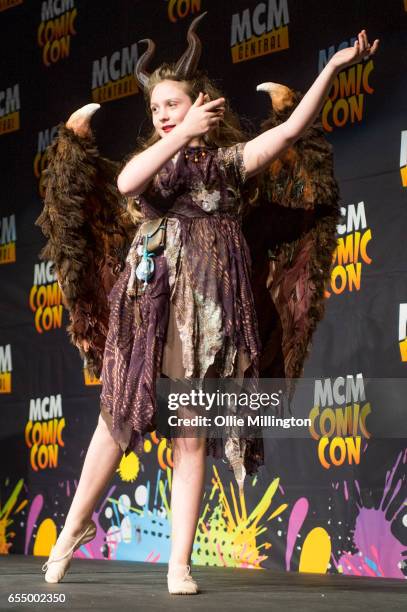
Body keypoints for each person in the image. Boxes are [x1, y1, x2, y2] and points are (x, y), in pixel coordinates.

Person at [40, 15, 378, 594]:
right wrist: (178, 131)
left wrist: (333, 66)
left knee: (191, 434)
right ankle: (71, 531)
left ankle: (178, 564)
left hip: (208, 316)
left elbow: (293, 129)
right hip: (151, 307)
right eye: (156, 109)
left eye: (174, 104)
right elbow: (125, 185)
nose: (163, 114)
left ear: (204, 103)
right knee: (114, 422)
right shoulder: (158, 165)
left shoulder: (226, 165)